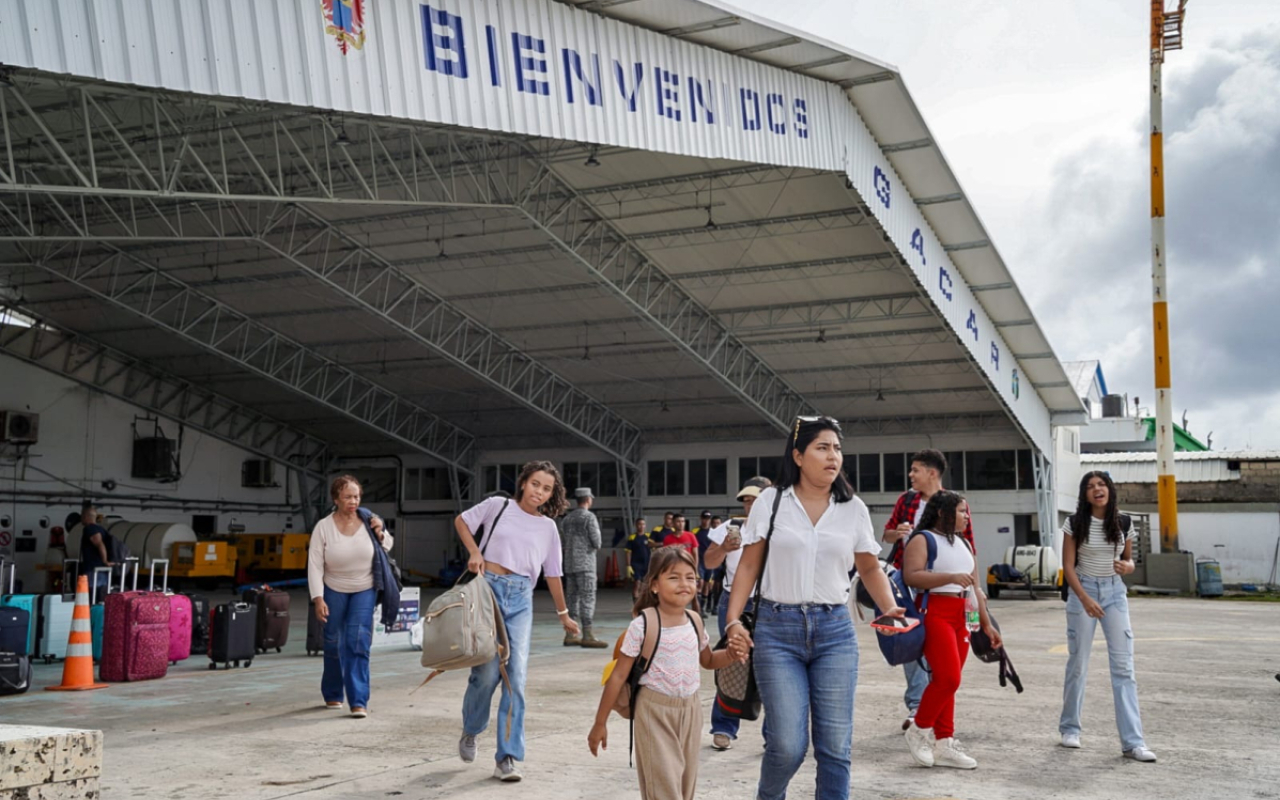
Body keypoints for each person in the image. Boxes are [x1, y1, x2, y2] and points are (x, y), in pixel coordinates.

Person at [728, 416, 906, 800]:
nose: (833, 456)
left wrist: (889, 607)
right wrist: (731, 621)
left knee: (835, 748)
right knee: (788, 745)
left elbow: (869, 566)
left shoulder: (852, 508)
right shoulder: (771, 503)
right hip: (777, 632)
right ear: (797, 455)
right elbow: (747, 564)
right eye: (822, 448)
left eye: (837, 448)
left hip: (835, 632)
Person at [454, 460, 581, 782]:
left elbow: (553, 573)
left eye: (547, 488)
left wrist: (564, 614)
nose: (539, 492)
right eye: (535, 483)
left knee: (516, 677)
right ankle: (471, 730)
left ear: (553, 494)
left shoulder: (549, 527)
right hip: (487, 590)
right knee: (484, 673)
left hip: (521, 598)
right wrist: (474, 552)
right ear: (524, 482)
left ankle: (507, 756)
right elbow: (461, 521)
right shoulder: (498, 506)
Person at [587, 547, 743, 800]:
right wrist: (599, 723)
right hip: (654, 711)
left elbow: (708, 660)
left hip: (691, 711)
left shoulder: (695, 620)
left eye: (690, 577)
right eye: (674, 577)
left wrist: (731, 655)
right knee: (664, 791)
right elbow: (617, 676)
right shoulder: (643, 624)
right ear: (655, 585)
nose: (684, 583)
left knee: (684, 787)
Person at [1059, 471, 1156, 762]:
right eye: (1089, 487)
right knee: (1079, 662)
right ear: (1084, 494)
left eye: (1101, 485)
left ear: (1109, 490)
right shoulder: (1075, 523)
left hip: (1115, 593)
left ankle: (1133, 743)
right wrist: (1086, 599)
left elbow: (1129, 561)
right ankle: (1070, 728)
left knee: (1124, 667)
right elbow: (1068, 567)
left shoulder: (1123, 522)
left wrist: (1128, 567)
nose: (1096, 490)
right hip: (1082, 590)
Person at [902, 491, 999, 769]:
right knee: (948, 679)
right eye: (962, 511)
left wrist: (985, 623)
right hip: (935, 613)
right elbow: (912, 575)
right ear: (943, 512)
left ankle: (945, 742)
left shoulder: (965, 544)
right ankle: (919, 730)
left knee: (949, 683)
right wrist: (950, 578)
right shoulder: (923, 539)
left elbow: (975, 588)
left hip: (963, 613)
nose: (967, 516)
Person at [881, 449, 974, 729]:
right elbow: (886, 535)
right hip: (910, 585)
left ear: (932, 473)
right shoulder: (906, 500)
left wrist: (979, 612)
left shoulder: (954, 504)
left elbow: (970, 551)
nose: (910, 475)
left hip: (956, 599)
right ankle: (918, 708)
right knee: (914, 645)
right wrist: (896, 533)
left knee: (948, 671)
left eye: (915, 470)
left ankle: (939, 726)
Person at [307, 475, 393, 719]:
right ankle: (333, 693)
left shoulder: (368, 521)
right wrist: (318, 598)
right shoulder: (323, 527)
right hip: (333, 588)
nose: (353, 501)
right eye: (347, 497)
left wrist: (379, 530)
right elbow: (314, 565)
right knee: (333, 641)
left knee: (357, 641)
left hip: (364, 588)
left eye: (356, 496)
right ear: (336, 499)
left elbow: (387, 545)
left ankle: (358, 700)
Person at [703, 476, 771, 751]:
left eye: (754, 500)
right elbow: (708, 561)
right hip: (735, 601)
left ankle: (774, 734)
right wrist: (723, 549)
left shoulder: (779, 528)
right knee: (731, 661)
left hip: (770, 602)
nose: (748, 505)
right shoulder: (730, 528)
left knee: (773, 666)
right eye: (745, 500)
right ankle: (724, 728)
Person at [560, 487, 607, 648]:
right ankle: (587, 634)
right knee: (587, 597)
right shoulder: (589, 517)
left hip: (570, 564)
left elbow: (563, 540)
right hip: (586, 564)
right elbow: (597, 542)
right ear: (588, 499)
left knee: (572, 598)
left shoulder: (567, 519)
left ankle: (570, 634)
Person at [77, 505, 114, 593]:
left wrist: (105, 561)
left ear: (86, 516)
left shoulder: (90, 529)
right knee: (100, 597)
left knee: (92, 596)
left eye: (82, 516)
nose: (81, 518)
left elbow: (99, 544)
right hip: (100, 571)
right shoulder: (101, 529)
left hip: (94, 570)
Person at [625, 517, 655, 601]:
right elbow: (628, 552)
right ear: (636, 525)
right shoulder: (632, 537)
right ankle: (635, 605)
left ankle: (641, 603)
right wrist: (628, 565)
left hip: (647, 564)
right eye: (639, 524)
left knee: (644, 585)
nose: (641, 526)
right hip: (636, 564)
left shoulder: (649, 537)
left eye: (643, 524)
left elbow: (655, 550)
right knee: (637, 583)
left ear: (645, 526)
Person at [692, 510, 715, 611]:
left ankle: (702, 607)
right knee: (700, 583)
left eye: (708, 519)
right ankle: (697, 607)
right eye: (704, 518)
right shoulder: (695, 531)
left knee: (707, 585)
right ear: (701, 519)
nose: (706, 521)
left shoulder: (714, 532)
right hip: (699, 561)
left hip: (710, 562)